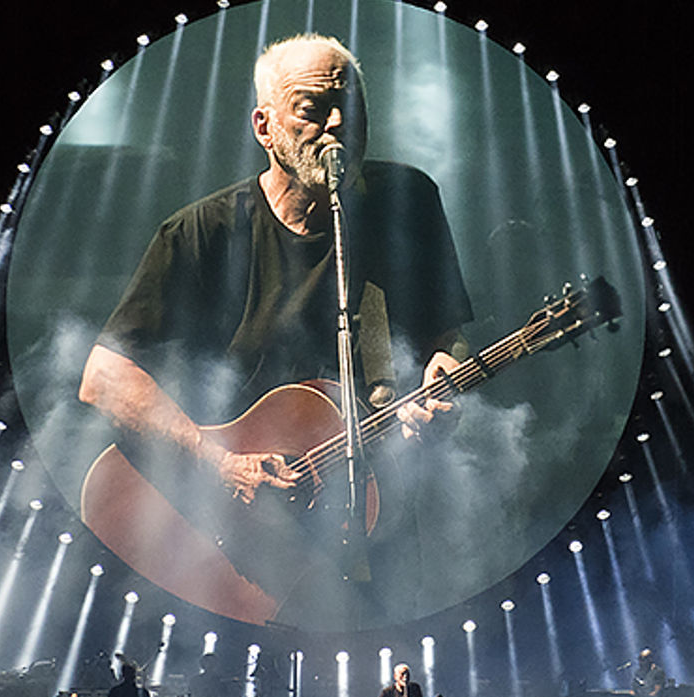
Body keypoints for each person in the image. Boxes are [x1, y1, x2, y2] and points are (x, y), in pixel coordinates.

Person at [78, 33, 474, 624]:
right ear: (265, 128)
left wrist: (447, 368)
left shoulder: (405, 202)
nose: (339, 124)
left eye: (352, 109)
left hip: (366, 512)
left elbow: (445, 336)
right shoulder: (200, 233)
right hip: (220, 531)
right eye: (313, 110)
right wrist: (217, 460)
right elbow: (103, 378)